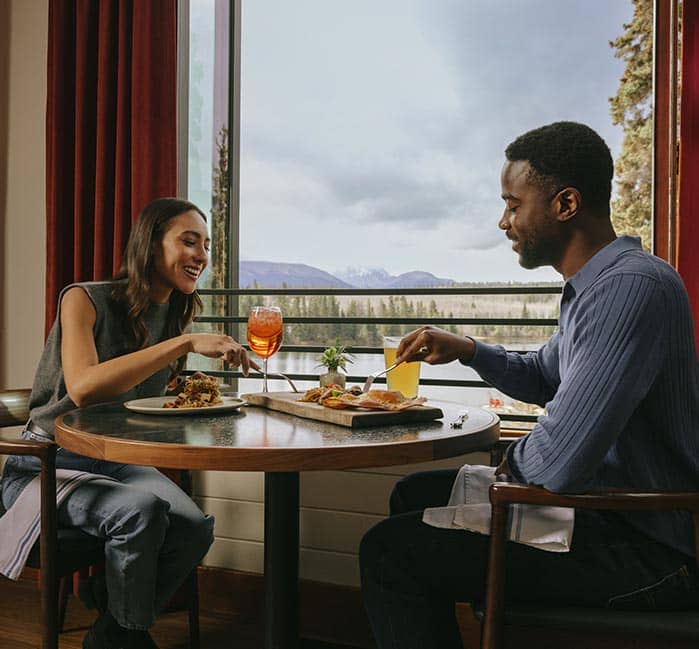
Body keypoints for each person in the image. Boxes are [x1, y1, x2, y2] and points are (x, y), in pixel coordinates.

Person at [359, 121, 699, 649]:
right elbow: (545, 375)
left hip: (647, 548)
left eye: (513, 204)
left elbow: (560, 458)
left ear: (565, 204)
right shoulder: (597, 288)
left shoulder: (631, 287)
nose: (503, 221)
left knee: (389, 554)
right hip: (604, 514)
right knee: (412, 494)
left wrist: (499, 473)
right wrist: (468, 349)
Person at [1, 197, 255, 649]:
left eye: (207, 245)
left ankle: (115, 625)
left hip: (112, 460)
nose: (201, 255)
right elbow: (83, 388)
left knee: (195, 527)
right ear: (150, 245)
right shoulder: (82, 298)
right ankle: (128, 634)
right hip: (44, 462)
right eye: (188, 241)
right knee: (140, 513)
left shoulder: (173, 312)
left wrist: (191, 390)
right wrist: (183, 344)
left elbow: (138, 400)